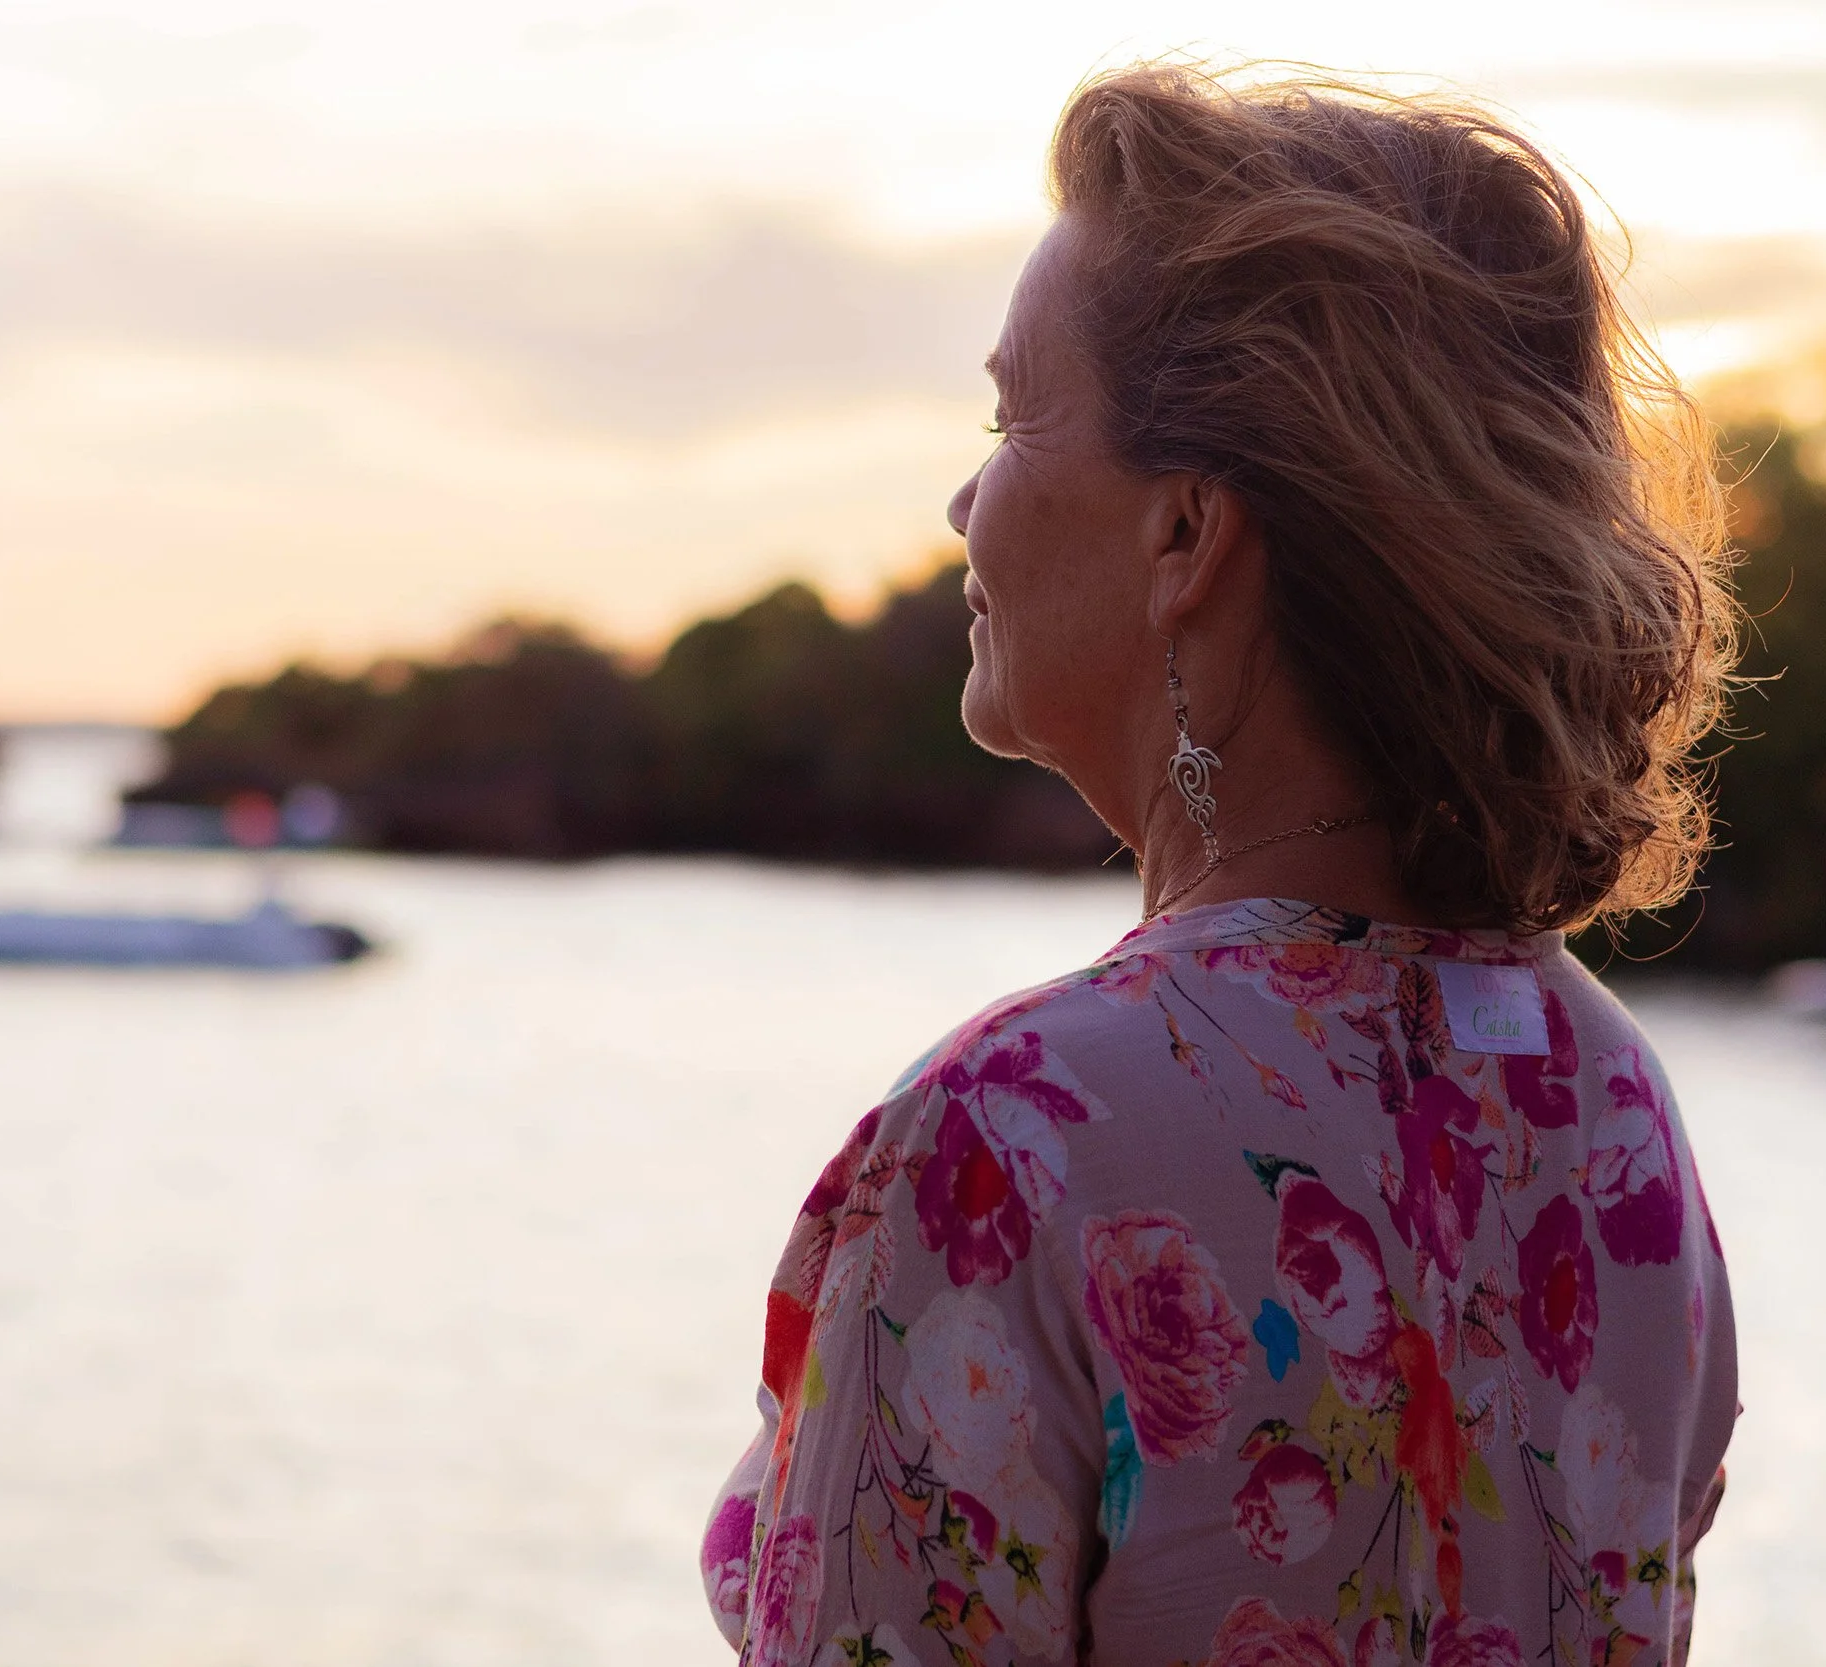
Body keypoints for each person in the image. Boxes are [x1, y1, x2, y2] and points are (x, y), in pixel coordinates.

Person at [703, 64, 1738, 1667]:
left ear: (1187, 534)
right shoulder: (1607, 1105)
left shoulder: (1010, 1135)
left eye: (1009, 418)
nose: (965, 500)